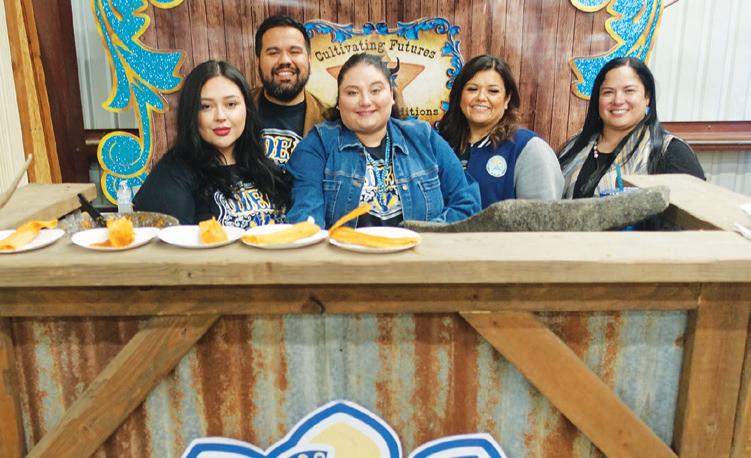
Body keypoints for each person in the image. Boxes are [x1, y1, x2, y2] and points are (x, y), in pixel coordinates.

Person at [286, 53, 480, 228]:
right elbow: (306, 220)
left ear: (392, 95)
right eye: (352, 92)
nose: (365, 101)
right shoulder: (317, 145)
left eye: (376, 90)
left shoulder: (424, 137)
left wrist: (423, 235)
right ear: (339, 102)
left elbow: (467, 203)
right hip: (346, 255)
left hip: (420, 254)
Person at [133, 60, 290, 228]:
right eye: (206, 106)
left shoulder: (263, 166)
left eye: (231, 104)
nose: (220, 116)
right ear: (191, 113)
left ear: (247, 108)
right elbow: (170, 243)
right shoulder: (171, 177)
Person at [558, 57, 705, 198]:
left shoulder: (670, 151)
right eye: (608, 92)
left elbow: (694, 209)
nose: (618, 100)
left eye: (629, 91)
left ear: (647, 97)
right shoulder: (576, 144)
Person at [439, 55, 563, 208]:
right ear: (459, 96)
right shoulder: (442, 145)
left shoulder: (528, 148)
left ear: (507, 99)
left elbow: (542, 217)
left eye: (493, 91)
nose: (481, 97)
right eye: (472, 89)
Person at [252, 15, 327, 167]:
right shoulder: (238, 110)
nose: (285, 60)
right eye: (273, 53)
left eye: (294, 52)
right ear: (258, 62)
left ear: (309, 60)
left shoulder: (328, 120)